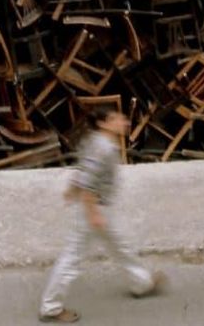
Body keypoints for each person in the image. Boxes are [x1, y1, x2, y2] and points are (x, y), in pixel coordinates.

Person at [38, 108, 166, 323]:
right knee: (73, 257)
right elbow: (89, 182)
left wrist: (72, 190)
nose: (124, 121)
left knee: (120, 246)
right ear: (104, 123)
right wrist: (93, 213)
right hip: (94, 208)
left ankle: (142, 283)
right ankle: (50, 308)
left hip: (97, 207)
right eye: (118, 118)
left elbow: (83, 169)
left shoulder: (96, 141)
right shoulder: (104, 148)